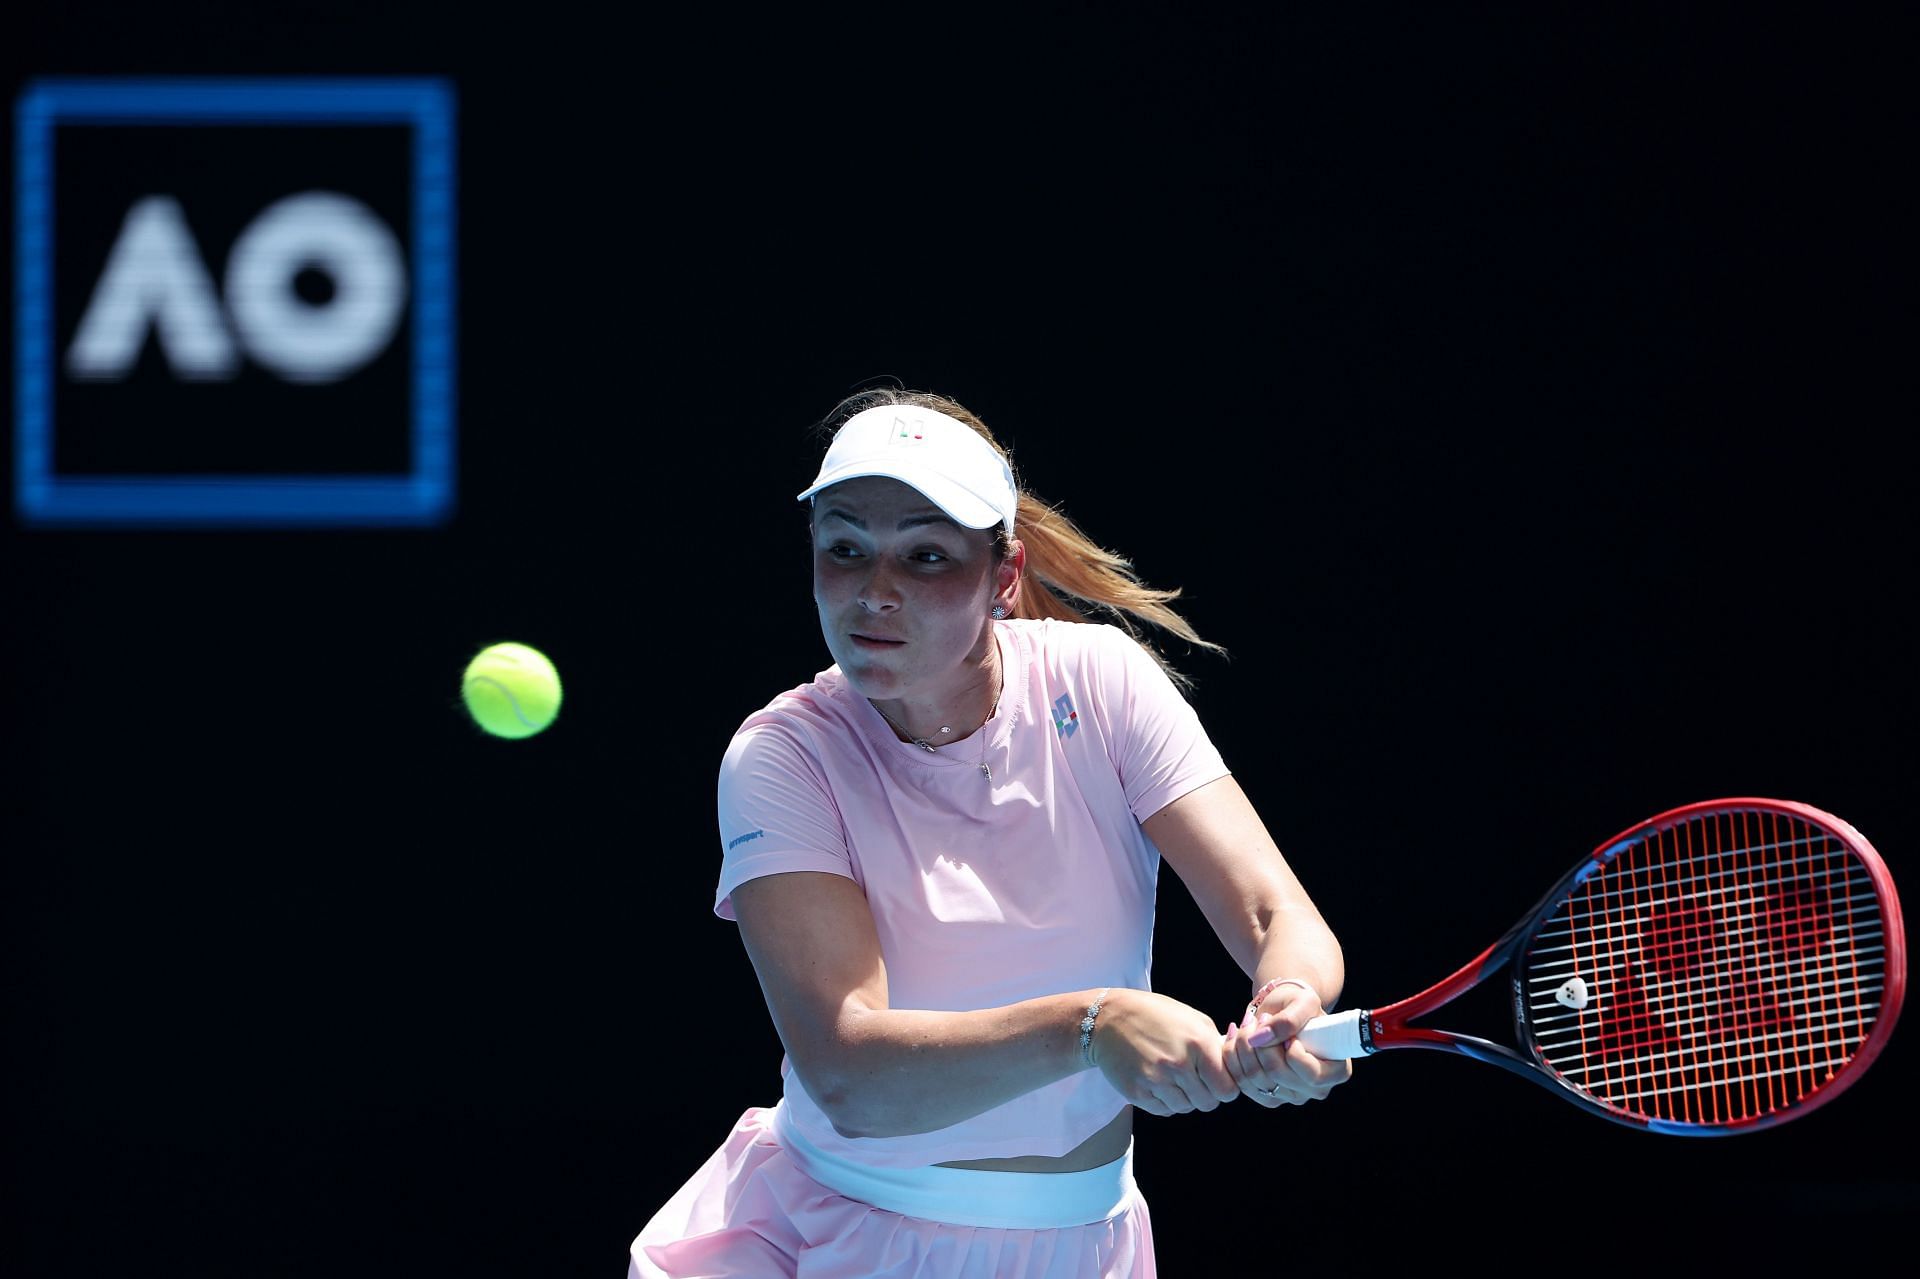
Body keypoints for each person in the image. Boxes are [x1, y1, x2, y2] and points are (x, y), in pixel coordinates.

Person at [629, 388, 1349, 1278]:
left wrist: (1290, 999)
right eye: (844, 549)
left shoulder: (1104, 682)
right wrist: (1093, 1025)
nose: (874, 593)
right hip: (836, 1238)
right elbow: (848, 1072)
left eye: (925, 556)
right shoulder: (783, 755)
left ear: (1001, 578)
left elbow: (1275, 907)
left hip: (1086, 1243)